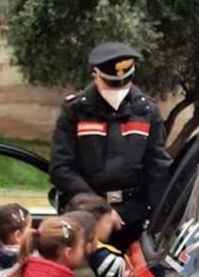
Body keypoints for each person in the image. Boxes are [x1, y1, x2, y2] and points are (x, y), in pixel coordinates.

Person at [49, 41, 173, 250]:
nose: (118, 90)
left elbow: (158, 168)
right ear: (95, 75)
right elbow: (61, 169)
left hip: (134, 218)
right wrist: (101, 210)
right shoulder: (76, 110)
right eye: (111, 83)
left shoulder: (147, 111)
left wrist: (165, 220)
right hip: (86, 218)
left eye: (124, 83)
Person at [67, 193, 127, 277]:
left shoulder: (67, 246)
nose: (111, 226)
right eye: (108, 222)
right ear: (94, 225)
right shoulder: (105, 258)